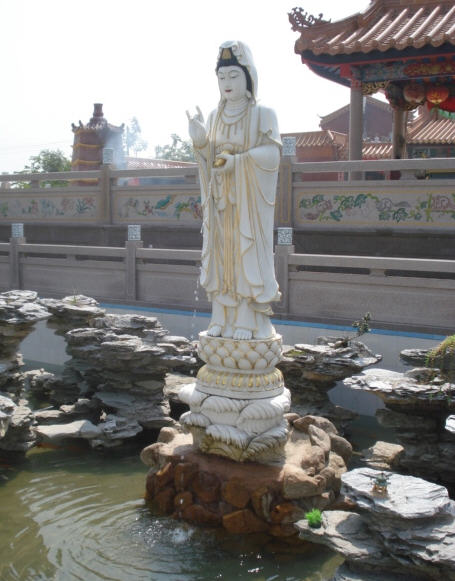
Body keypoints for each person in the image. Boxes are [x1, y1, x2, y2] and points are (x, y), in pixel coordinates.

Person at [187, 41, 281, 341]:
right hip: (220, 205)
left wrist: (239, 162)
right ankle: (220, 317)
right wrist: (200, 141)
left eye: (234, 75)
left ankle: (247, 321)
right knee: (221, 260)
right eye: (222, 76)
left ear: (248, 76)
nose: (227, 82)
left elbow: (272, 155)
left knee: (245, 259)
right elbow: (208, 159)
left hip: (247, 206)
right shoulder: (214, 116)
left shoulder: (263, 113)